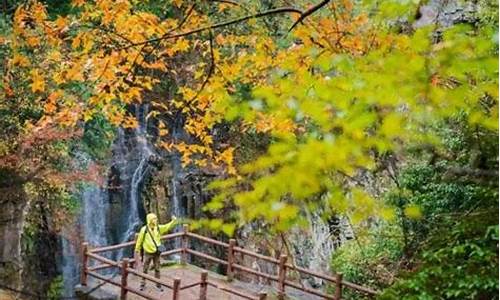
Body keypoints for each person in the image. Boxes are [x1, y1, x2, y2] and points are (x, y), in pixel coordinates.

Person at [134, 213, 177, 291]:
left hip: (157, 252)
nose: (156, 220)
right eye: (154, 219)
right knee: (145, 268)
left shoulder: (158, 228)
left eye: (156, 218)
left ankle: (158, 284)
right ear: (150, 220)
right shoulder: (144, 229)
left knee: (157, 268)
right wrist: (137, 250)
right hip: (148, 252)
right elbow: (139, 240)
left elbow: (166, 227)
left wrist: (173, 221)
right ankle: (142, 284)